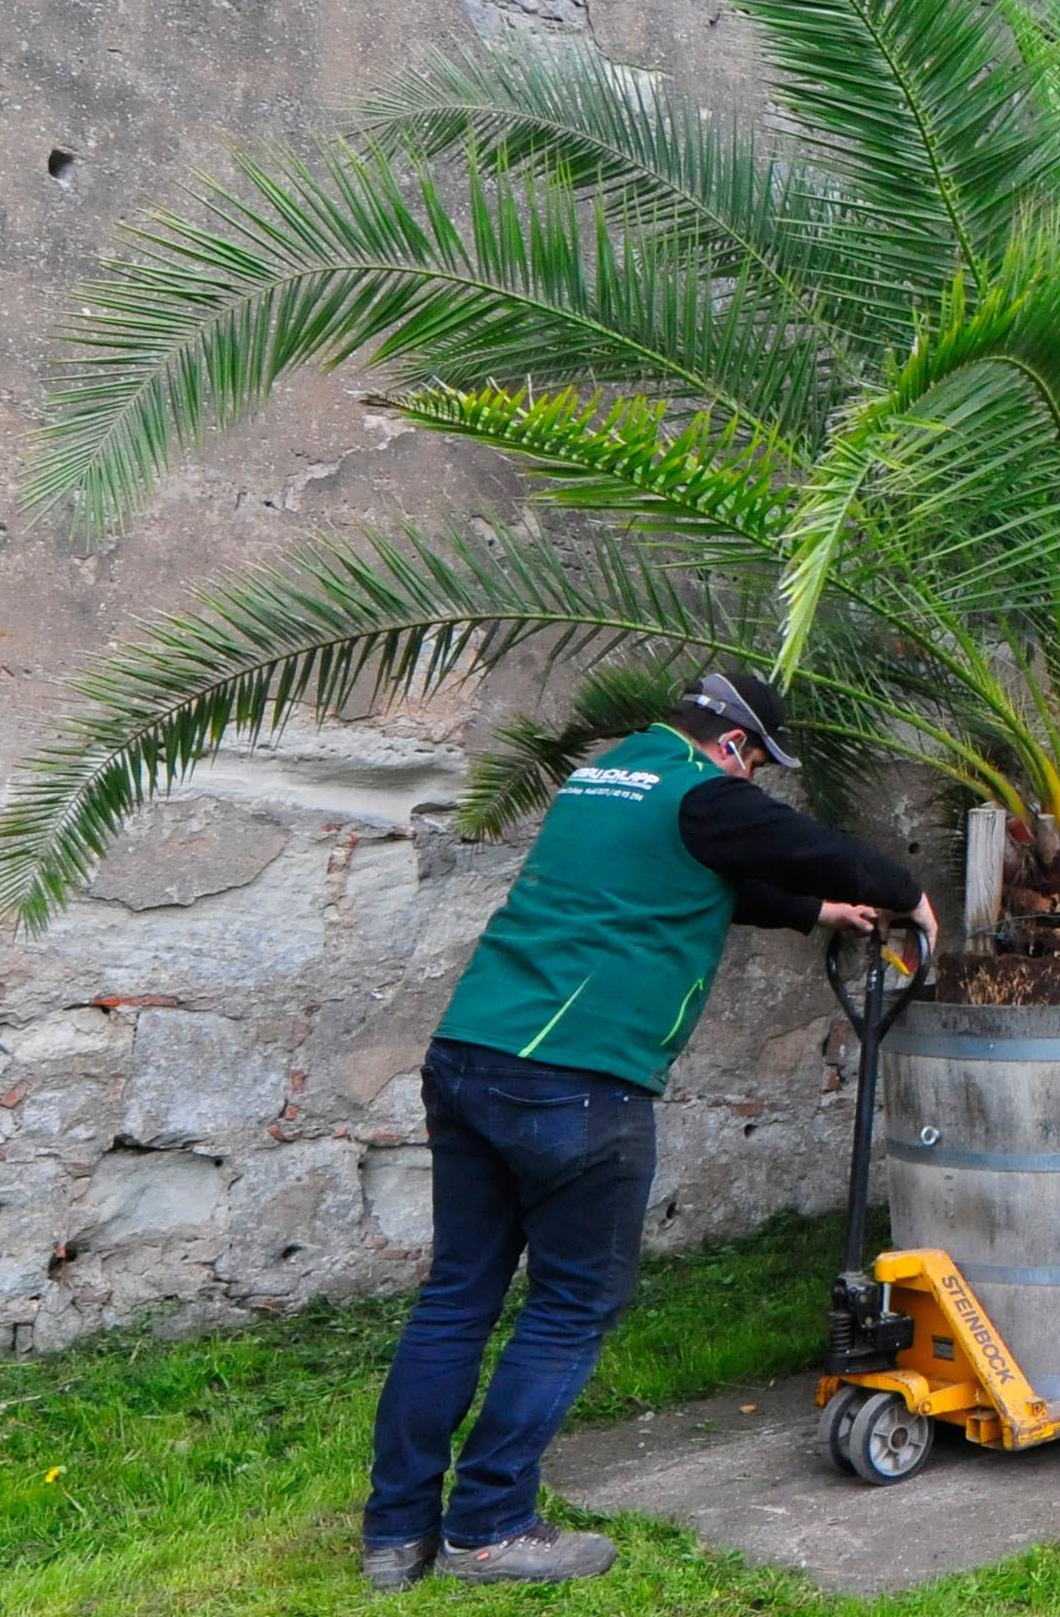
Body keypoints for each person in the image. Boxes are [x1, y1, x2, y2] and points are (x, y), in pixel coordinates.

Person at [359, 669, 934, 1591]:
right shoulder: (706, 793)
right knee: (571, 1303)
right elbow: (818, 849)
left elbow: (668, 879)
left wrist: (809, 913)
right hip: (576, 1082)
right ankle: (490, 1527)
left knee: (458, 1295)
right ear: (737, 746)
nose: (751, 786)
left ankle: (395, 1536)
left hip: (470, 1054)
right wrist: (902, 893)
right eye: (756, 768)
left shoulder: (604, 779)